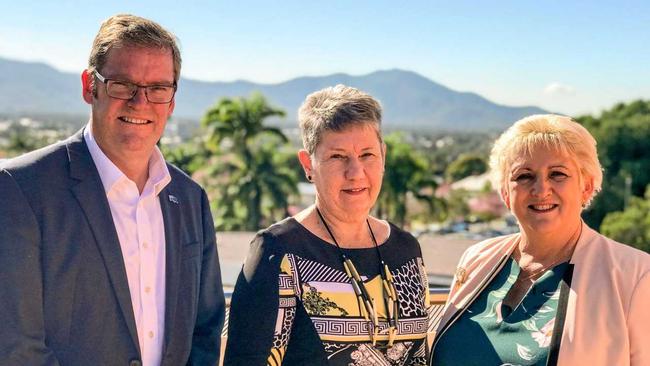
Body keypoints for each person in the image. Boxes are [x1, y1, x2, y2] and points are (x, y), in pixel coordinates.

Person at [0, 14, 225, 365]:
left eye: (158, 89)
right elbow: (15, 347)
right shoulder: (20, 189)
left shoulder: (190, 199)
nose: (140, 102)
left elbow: (205, 330)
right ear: (90, 86)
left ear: (172, 100)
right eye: (122, 84)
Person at [224, 85, 430, 365]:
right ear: (308, 164)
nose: (356, 173)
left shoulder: (406, 250)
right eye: (337, 157)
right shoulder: (278, 251)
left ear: (383, 155)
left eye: (367, 155)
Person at [430, 114, 650, 365]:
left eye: (558, 174)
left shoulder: (636, 277)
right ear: (505, 193)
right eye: (524, 176)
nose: (541, 189)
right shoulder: (476, 259)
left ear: (586, 187)